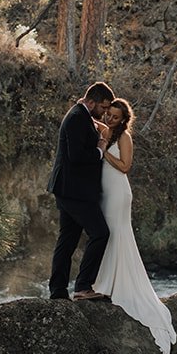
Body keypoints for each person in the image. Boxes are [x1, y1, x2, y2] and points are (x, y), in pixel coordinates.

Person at [92, 99, 176, 354]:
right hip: (105, 193)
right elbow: (91, 124)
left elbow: (126, 167)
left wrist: (104, 151)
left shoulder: (124, 137)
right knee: (106, 236)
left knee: (117, 234)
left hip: (118, 192)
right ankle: (104, 281)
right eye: (109, 115)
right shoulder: (105, 130)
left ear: (123, 119)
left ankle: (113, 283)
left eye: (115, 117)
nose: (110, 119)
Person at [47, 81, 115, 301]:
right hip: (74, 191)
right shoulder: (77, 118)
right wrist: (100, 150)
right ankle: (83, 286)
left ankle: (58, 292)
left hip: (69, 188)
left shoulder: (81, 114)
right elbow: (76, 157)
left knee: (67, 241)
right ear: (92, 101)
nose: (105, 113)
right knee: (100, 233)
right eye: (103, 107)